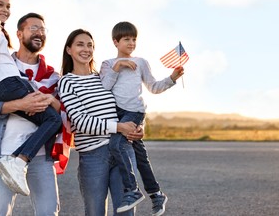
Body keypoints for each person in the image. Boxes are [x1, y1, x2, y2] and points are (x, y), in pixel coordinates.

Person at [0, 0, 62, 196]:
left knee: (49, 117)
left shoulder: (53, 75)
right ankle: (18, 162)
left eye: (8, 6)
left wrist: (38, 101)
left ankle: (17, 162)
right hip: (8, 84)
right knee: (52, 121)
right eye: (0, 4)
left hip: (7, 86)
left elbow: (63, 107)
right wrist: (22, 103)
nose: (5, 9)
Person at [99, 21, 184, 216]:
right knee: (141, 157)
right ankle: (156, 194)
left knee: (116, 145)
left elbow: (153, 87)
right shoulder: (108, 64)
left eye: (134, 39)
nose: (131, 43)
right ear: (115, 41)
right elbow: (104, 88)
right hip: (117, 113)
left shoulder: (141, 62)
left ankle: (132, 190)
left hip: (134, 112)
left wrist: (172, 78)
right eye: (126, 39)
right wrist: (118, 67)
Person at [58, 28, 144, 216]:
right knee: (95, 212)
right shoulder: (66, 82)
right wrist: (119, 127)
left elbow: (127, 106)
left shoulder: (104, 78)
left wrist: (138, 127)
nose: (86, 49)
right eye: (80, 44)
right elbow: (80, 121)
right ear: (69, 50)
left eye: (90, 45)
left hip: (122, 148)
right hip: (93, 155)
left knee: (126, 212)